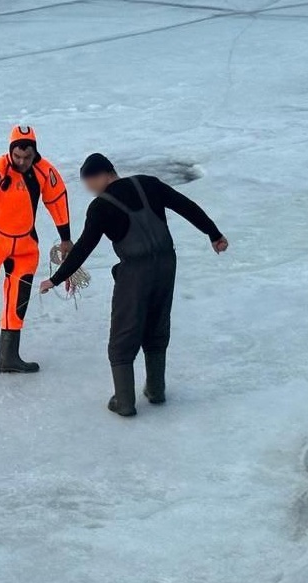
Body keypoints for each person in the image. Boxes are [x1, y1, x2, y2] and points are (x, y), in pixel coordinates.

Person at [40, 153, 228, 416]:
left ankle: (124, 401)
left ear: (101, 175)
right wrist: (214, 234)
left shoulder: (100, 207)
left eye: (89, 183)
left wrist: (55, 279)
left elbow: (83, 247)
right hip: (167, 264)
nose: (90, 190)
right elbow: (186, 206)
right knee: (157, 325)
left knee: (123, 334)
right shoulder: (149, 183)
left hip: (136, 271)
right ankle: (156, 390)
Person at [0, 125, 73, 373]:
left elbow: (57, 200)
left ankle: (8, 356)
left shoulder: (44, 171)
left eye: (27, 157)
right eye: (17, 156)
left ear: (35, 152)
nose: (21, 162)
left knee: (18, 300)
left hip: (25, 246)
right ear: (10, 151)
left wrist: (66, 239)